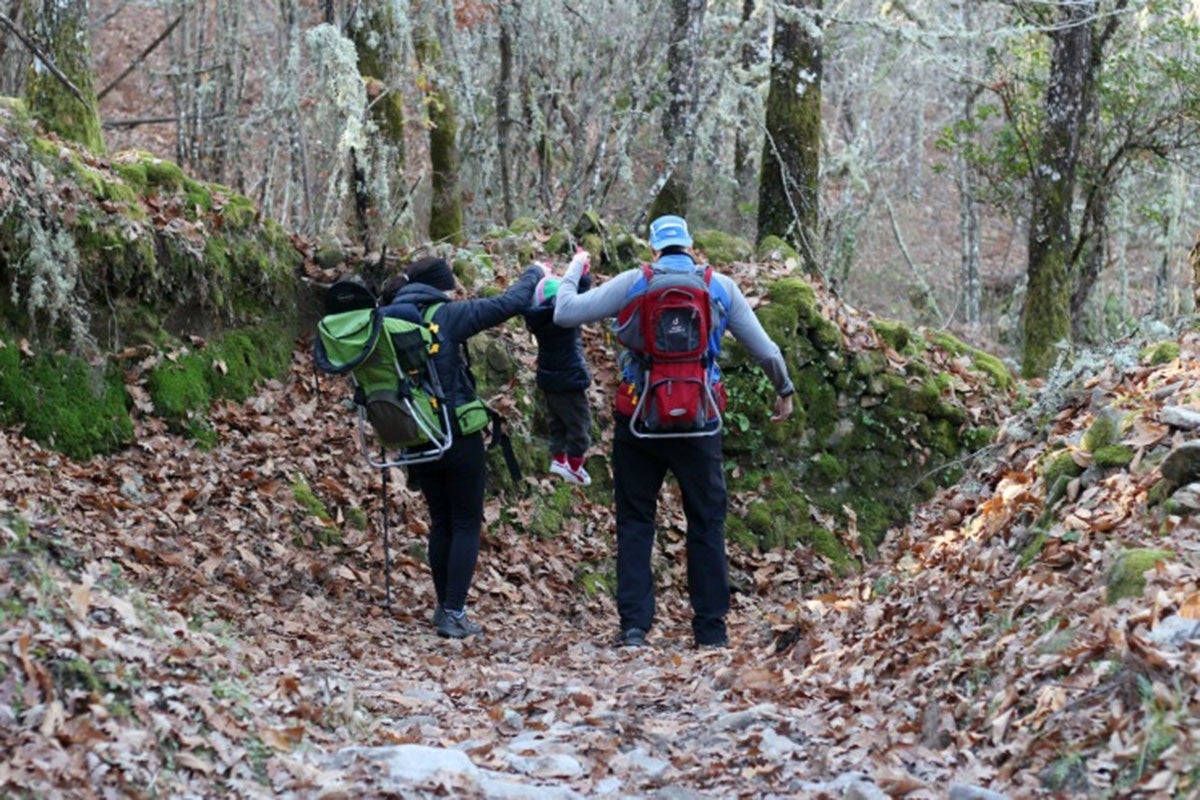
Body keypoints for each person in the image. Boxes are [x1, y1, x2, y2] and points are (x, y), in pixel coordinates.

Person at [553, 215, 795, 649]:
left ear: (653, 249)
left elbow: (565, 312)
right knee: (707, 522)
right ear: (690, 245)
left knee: (634, 520)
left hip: (640, 417)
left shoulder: (634, 281)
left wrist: (573, 271)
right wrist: (785, 389)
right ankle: (711, 631)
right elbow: (765, 349)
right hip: (700, 422)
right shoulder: (719, 286)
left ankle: (633, 628)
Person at [378, 255, 547, 639]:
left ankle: (446, 607)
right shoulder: (445, 314)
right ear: (441, 286)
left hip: (416, 433)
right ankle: (453, 611)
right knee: (466, 521)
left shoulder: (387, 316)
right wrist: (535, 272)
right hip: (456, 433)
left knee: (441, 521)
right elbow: (510, 302)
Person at [522, 256, 594, 486]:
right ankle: (574, 465)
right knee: (579, 423)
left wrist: (580, 277)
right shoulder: (564, 320)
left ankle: (559, 458)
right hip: (570, 378)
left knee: (558, 421)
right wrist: (582, 275)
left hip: (549, 378)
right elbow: (578, 300)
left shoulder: (539, 319)